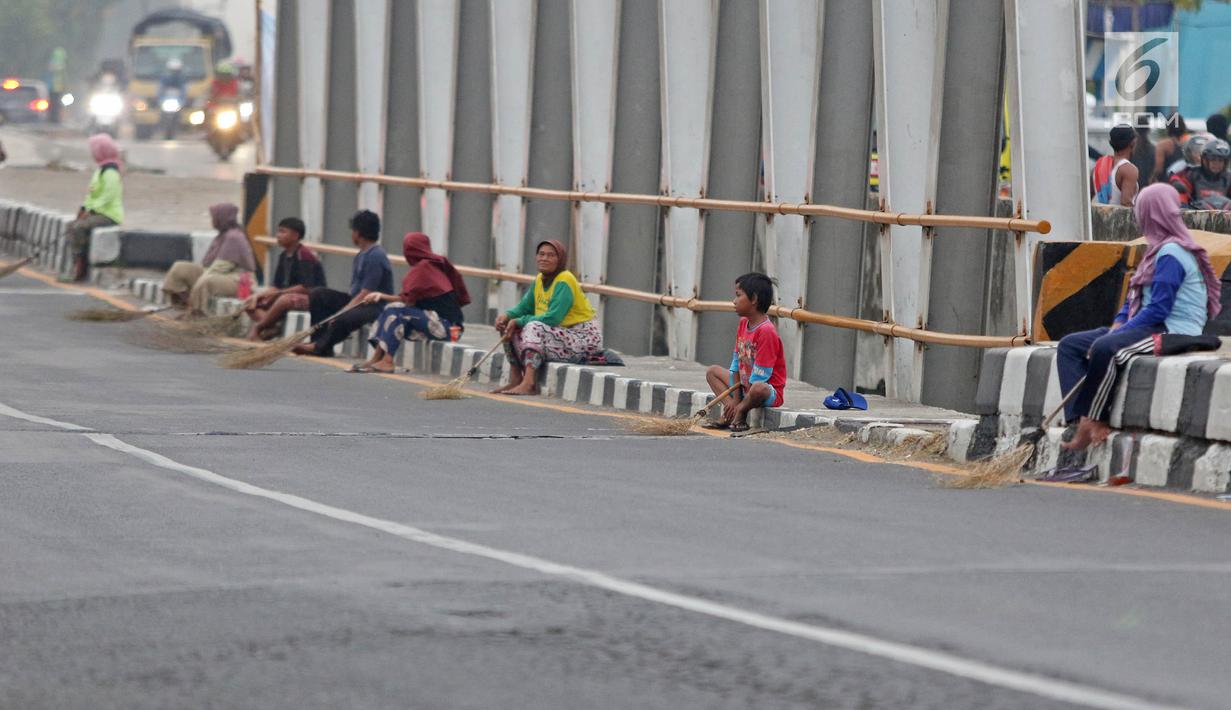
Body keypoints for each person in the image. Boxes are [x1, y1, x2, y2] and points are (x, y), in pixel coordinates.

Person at [1058, 184, 1222, 451]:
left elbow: (1158, 309)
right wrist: (1118, 324)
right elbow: (1135, 298)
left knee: (1106, 349)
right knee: (1070, 345)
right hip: (1150, 324)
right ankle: (1077, 419)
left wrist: (1117, 335)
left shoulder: (1172, 253)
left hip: (1172, 330)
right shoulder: (1156, 251)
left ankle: (1094, 420)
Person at [492, 240, 602, 396]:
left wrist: (519, 320)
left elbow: (553, 318)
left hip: (582, 339)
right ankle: (516, 379)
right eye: (541, 254)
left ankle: (529, 383)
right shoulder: (539, 279)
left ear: (560, 259)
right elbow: (524, 307)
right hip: (559, 335)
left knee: (533, 326)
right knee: (508, 325)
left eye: (551, 255)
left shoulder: (565, 280)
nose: (544, 258)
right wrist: (507, 316)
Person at [350, 232, 470, 373]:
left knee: (396, 311)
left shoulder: (424, 268)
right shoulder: (431, 265)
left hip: (449, 329)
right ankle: (376, 359)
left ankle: (387, 361)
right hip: (440, 323)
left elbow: (406, 300)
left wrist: (380, 295)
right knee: (392, 308)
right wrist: (382, 296)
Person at [291, 210, 394, 357]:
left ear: (357, 233)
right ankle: (318, 341)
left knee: (344, 318)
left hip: (373, 306)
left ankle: (318, 347)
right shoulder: (361, 254)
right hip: (357, 300)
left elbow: (366, 293)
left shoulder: (376, 256)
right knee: (318, 294)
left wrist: (341, 312)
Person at [703, 273, 788, 435]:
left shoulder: (766, 331)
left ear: (754, 299)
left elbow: (761, 375)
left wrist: (741, 400)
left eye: (738, 295)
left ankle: (740, 411)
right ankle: (732, 411)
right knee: (712, 372)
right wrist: (735, 398)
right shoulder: (743, 323)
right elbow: (736, 363)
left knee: (758, 387)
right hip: (742, 386)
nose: (734, 301)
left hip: (765, 391)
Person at [162, 203, 257, 317]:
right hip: (223, 274)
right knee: (180, 268)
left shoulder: (234, 237)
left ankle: (196, 313)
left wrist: (199, 281)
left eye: (214, 217)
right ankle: (185, 306)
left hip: (241, 280)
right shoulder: (222, 235)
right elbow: (207, 264)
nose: (212, 221)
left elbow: (220, 267)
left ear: (221, 218)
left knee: (206, 282)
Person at [242, 217, 326, 340]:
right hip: (286, 295)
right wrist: (257, 296)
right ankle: (274, 327)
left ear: (295, 235)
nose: (278, 235)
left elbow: (306, 287)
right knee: (252, 303)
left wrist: (279, 293)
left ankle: (259, 327)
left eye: (283, 232)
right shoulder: (283, 256)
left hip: (313, 299)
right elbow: (276, 286)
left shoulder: (304, 255)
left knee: (284, 299)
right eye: (278, 231)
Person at [65, 134, 124, 282]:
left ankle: (80, 266)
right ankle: (76, 261)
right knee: (71, 226)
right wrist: (83, 208)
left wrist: (92, 211)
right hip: (97, 213)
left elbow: (109, 195)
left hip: (109, 215)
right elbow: (92, 195)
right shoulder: (100, 170)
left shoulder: (110, 171)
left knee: (79, 228)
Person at [1170, 139, 1231, 209]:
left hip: (1226, 218)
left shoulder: (1228, 178)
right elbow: (1182, 194)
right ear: (1205, 160)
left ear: (1225, 162)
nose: (1217, 164)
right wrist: (1184, 206)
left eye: (1220, 160)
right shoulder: (1192, 174)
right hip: (1195, 217)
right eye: (1213, 159)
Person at [1090, 125, 1139, 206]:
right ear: (1133, 143)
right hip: (1118, 219)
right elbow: (1126, 202)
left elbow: (1088, 199)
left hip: (1098, 218)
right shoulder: (1129, 170)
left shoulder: (1096, 168)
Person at [1151, 114, 1189, 184]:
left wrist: (1152, 179)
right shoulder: (1188, 143)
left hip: (1167, 183)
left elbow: (1159, 169)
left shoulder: (1163, 145)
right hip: (1185, 183)